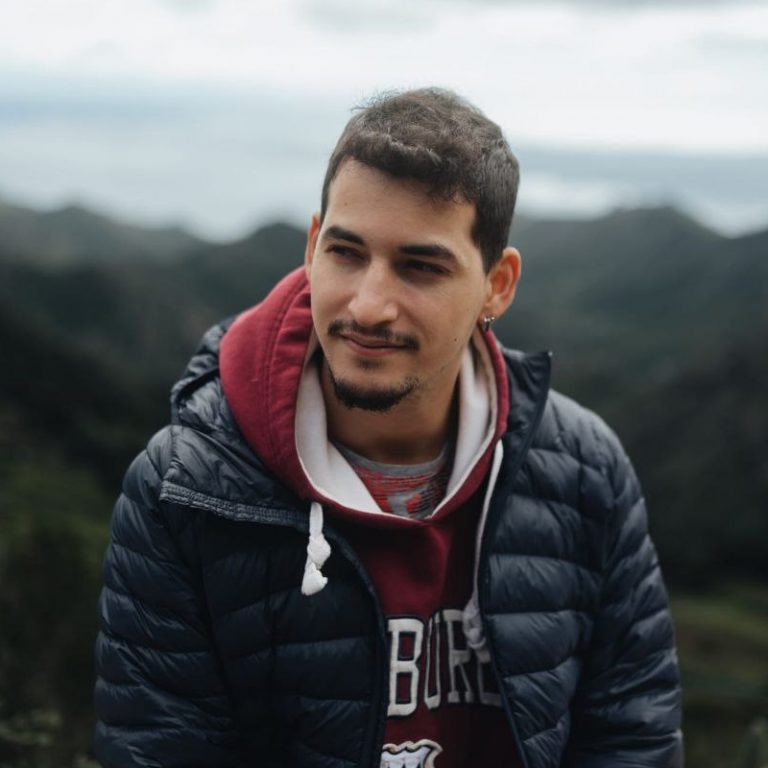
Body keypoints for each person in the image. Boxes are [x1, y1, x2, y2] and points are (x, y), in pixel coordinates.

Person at [93, 88, 683, 768]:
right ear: (312, 247)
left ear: (497, 284)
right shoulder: (183, 489)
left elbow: (630, 740)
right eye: (346, 253)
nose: (369, 306)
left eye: (421, 267)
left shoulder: (585, 471)